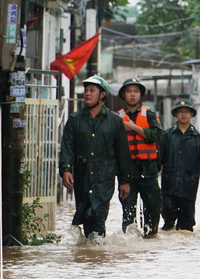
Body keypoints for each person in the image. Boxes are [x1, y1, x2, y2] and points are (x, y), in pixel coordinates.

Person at [58, 75, 132, 238]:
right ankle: (90, 250)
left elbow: (122, 152)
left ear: (102, 94)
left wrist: (124, 180)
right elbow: (67, 147)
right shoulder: (75, 120)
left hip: (104, 176)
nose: (87, 94)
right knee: (85, 216)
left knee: (98, 215)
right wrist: (66, 169)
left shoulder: (114, 121)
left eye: (92, 90)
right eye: (86, 90)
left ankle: (98, 250)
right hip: (82, 175)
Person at [116, 78, 163, 237]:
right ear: (123, 95)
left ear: (140, 95)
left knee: (153, 207)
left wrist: (133, 127)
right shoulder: (117, 117)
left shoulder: (149, 115)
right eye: (129, 91)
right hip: (127, 170)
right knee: (128, 210)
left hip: (148, 169)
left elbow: (158, 135)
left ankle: (151, 239)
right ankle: (130, 242)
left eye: (136, 91)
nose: (132, 95)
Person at [158, 99, 200, 232]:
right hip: (169, 182)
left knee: (186, 225)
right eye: (180, 111)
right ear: (176, 114)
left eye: (186, 111)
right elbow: (159, 158)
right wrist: (151, 173)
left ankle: (185, 243)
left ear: (191, 114)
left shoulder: (197, 138)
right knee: (167, 211)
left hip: (189, 184)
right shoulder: (167, 135)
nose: (183, 114)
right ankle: (170, 230)